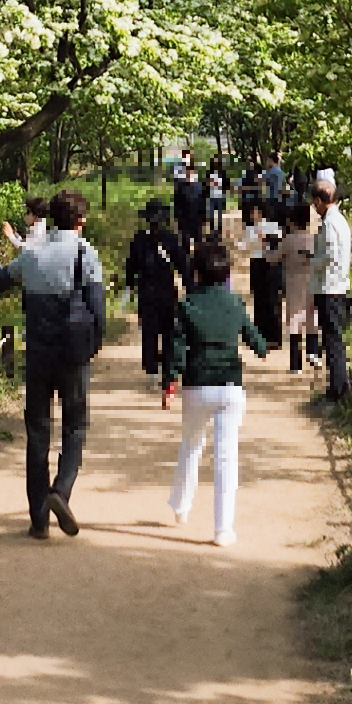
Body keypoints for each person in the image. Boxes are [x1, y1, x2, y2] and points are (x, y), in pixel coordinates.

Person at [0, 189, 107, 538]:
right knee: (75, 427)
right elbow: (98, 307)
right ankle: (61, 492)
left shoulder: (33, 252)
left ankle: (39, 520)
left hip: (38, 352)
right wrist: (93, 346)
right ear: (81, 222)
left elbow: (0, 282)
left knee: (38, 432)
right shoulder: (86, 254)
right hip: (73, 354)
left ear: (51, 217)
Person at [163, 236, 268, 544]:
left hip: (197, 387)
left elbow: (177, 350)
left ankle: (181, 507)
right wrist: (259, 346)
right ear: (226, 274)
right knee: (226, 457)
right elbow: (258, 343)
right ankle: (223, 528)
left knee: (191, 446)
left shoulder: (187, 305)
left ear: (196, 272)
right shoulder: (235, 303)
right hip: (230, 387)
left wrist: (171, 380)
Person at [125, 199, 187, 395]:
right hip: (167, 293)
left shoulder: (139, 239)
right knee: (169, 334)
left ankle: (152, 372)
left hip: (146, 293)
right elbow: (183, 265)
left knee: (149, 334)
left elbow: (130, 267)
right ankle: (167, 374)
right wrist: (191, 288)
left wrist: (130, 286)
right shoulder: (171, 239)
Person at [311, 171, 352, 402]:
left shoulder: (329, 224)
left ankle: (338, 389)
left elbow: (327, 255)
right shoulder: (339, 220)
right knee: (334, 339)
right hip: (336, 285)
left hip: (329, 288)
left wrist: (311, 260)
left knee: (333, 339)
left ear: (319, 201)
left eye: (314, 203)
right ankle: (337, 385)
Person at [277, 196, 317, 357]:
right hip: (312, 283)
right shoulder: (314, 239)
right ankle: (313, 353)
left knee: (293, 320)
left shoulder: (288, 240)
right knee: (312, 317)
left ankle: (296, 362)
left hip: (293, 284)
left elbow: (274, 258)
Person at [243, 199, 284, 347]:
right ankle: (261, 336)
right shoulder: (250, 229)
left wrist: (267, 240)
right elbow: (246, 247)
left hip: (271, 264)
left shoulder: (273, 226)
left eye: (255, 212)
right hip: (256, 264)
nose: (253, 215)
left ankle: (275, 337)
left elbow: (279, 244)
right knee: (259, 300)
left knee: (272, 300)